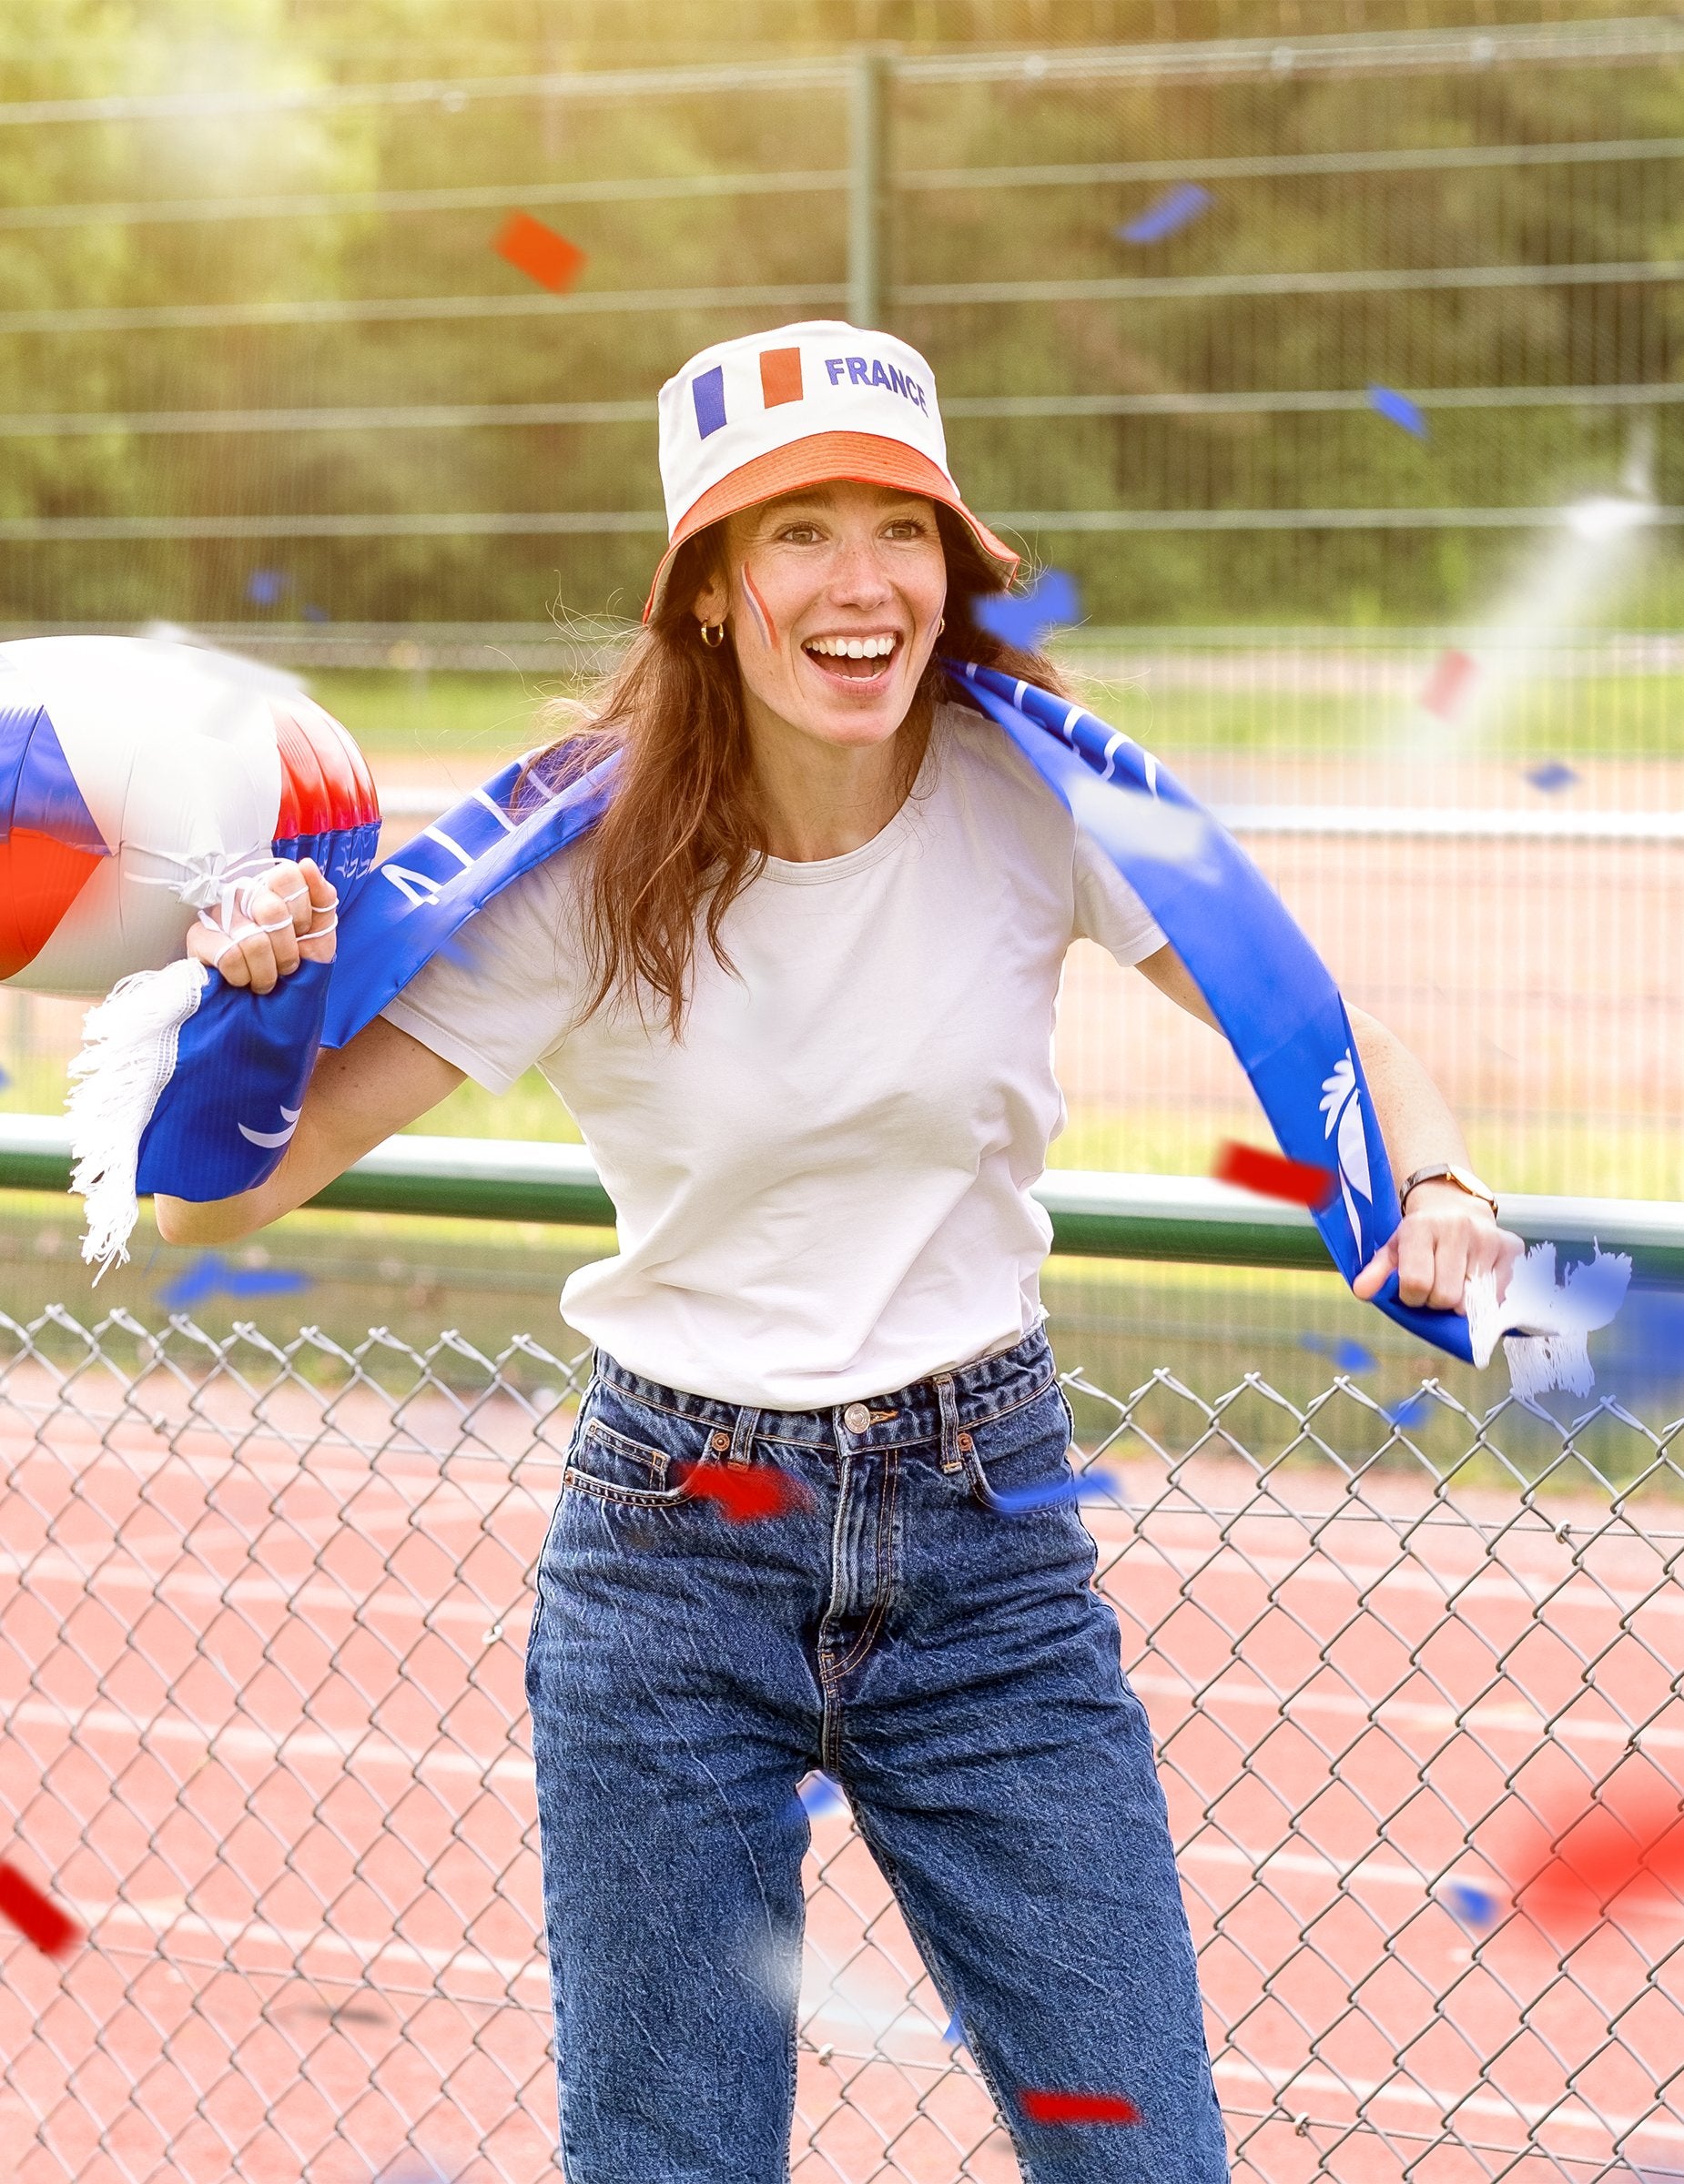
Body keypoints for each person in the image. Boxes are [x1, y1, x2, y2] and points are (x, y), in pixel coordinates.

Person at [157, 320, 1521, 2182]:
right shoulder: (576, 864)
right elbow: (215, 1200)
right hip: (672, 1548)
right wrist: (252, 1005)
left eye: (898, 524)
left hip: (990, 1549)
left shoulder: (1032, 794)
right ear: (710, 591)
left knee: (1144, 2155)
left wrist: (1437, 1183)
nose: (860, 581)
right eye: (795, 532)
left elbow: (1309, 1023)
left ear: (949, 565)